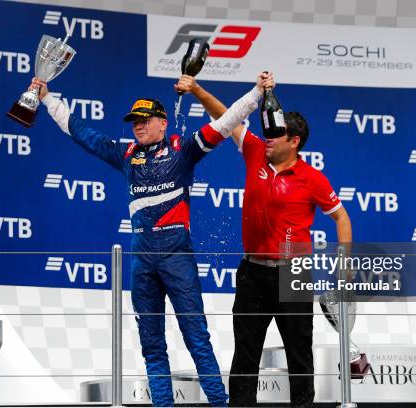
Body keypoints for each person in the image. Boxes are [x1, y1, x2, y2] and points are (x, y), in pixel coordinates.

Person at [29, 72, 274, 407]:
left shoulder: (183, 149)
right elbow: (82, 133)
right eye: (134, 122)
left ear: (162, 122)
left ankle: (219, 403)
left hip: (177, 259)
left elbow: (226, 122)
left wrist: (256, 93)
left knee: (197, 339)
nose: (138, 127)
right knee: (152, 346)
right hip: (142, 263)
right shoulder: (126, 152)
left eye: (145, 121)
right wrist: (46, 99)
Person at [176, 74, 352, 407]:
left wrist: (343, 267)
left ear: (295, 141)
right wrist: (197, 89)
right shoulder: (255, 151)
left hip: (294, 271)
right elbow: (225, 116)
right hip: (253, 272)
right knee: (245, 356)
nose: (267, 137)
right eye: (267, 131)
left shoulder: (312, 179)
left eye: (276, 134)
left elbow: (342, 218)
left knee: (299, 356)